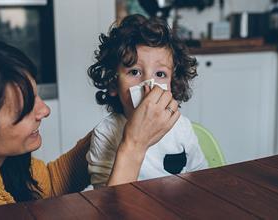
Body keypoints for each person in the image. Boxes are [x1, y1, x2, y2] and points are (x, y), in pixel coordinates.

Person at [0, 36, 179, 220]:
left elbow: (52, 183)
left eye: (37, 95)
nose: (44, 110)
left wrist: (118, 129)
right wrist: (133, 146)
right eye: (25, 109)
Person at [86, 14, 208, 188]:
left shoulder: (182, 127)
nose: (148, 85)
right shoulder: (105, 134)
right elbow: (104, 201)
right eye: (134, 72)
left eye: (160, 74)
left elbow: (201, 177)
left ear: (172, 85)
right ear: (113, 84)